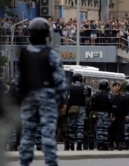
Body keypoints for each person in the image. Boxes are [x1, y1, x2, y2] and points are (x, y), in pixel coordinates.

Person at [15, 17, 68, 166]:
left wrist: (20, 99)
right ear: (47, 35)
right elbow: (60, 80)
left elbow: (18, 81)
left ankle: (24, 162)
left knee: (27, 134)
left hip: (28, 98)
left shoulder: (24, 54)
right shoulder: (51, 54)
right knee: (47, 134)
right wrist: (62, 101)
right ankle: (51, 162)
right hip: (47, 98)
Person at [91, 79, 115, 150]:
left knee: (99, 129)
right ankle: (105, 143)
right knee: (105, 129)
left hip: (97, 114)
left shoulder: (95, 95)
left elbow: (92, 106)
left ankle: (100, 144)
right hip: (106, 114)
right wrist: (113, 114)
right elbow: (112, 106)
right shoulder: (110, 95)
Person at [67, 73, 88, 151]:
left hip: (72, 109)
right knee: (80, 127)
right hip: (81, 109)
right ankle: (79, 144)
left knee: (72, 127)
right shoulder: (84, 88)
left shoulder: (69, 87)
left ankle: (71, 144)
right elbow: (86, 97)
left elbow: (67, 98)